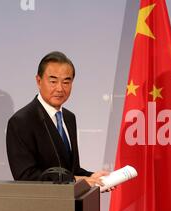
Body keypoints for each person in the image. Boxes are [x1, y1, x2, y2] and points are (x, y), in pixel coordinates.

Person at [6, 51, 106, 186]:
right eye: (53, 81)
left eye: (66, 82)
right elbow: (26, 176)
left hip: (73, 204)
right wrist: (75, 180)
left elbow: (70, 169)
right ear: (38, 81)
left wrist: (93, 177)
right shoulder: (21, 121)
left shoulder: (69, 118)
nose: (60, 88)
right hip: (42, 205)